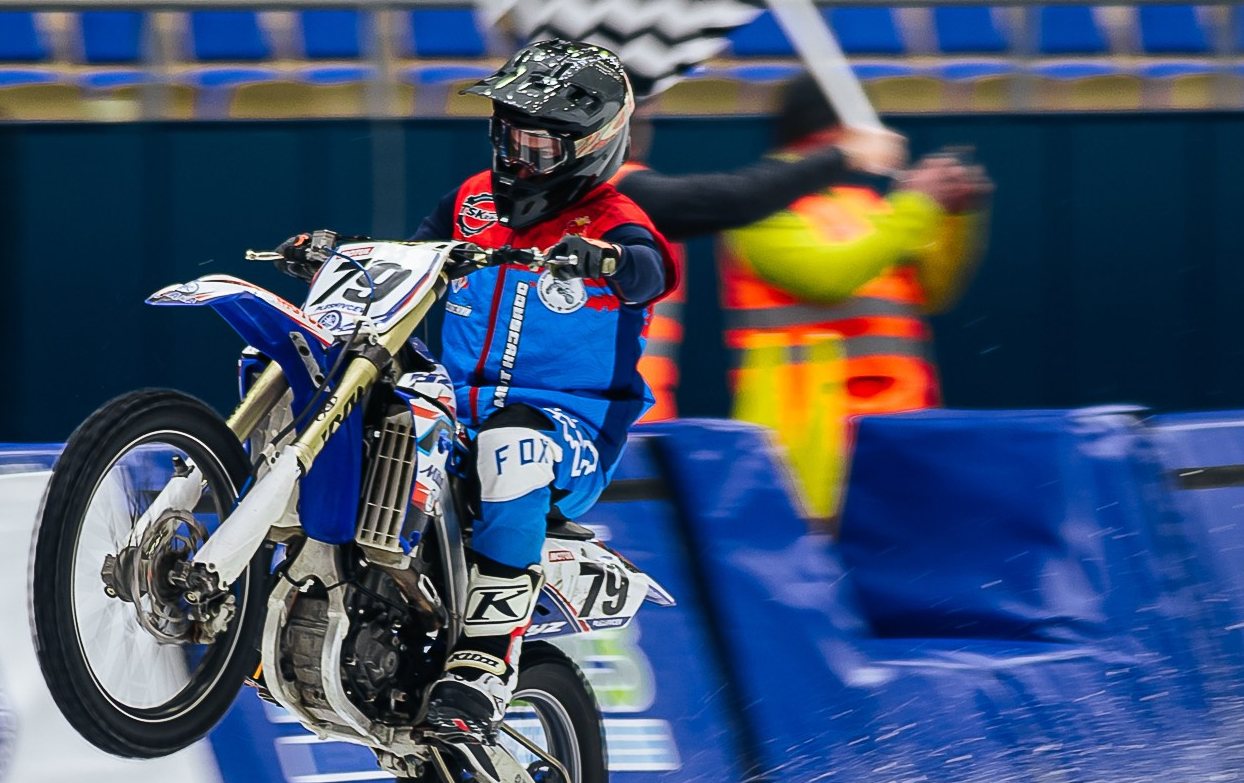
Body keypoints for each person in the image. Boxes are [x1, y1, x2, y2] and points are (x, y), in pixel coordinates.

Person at [289, 39, 677, 736]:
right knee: (353, 396)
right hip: (454, 406)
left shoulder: (618, 222)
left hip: (569, 431)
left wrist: (607, 260)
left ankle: (486, 659)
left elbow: (653, 271)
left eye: (541, 146)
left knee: (514, 441)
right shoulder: (469, 199)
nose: (518, 159)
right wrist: (339, 258)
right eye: (511, 137)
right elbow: (410, 259)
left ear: (593, 145)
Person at [604, 105, 910, 421]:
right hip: (593, 424)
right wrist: (844, 154)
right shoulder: (608, 193)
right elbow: (737, 200)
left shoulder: (620, 202)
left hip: (625, 423)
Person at [721, 74, 989, 427]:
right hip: (802, 432)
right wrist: (918, 202)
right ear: (832, 130)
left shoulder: (863, 202)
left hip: (900, 424)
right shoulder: (760, 203)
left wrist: (953, 216)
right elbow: (827, 278)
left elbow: (928, 294)